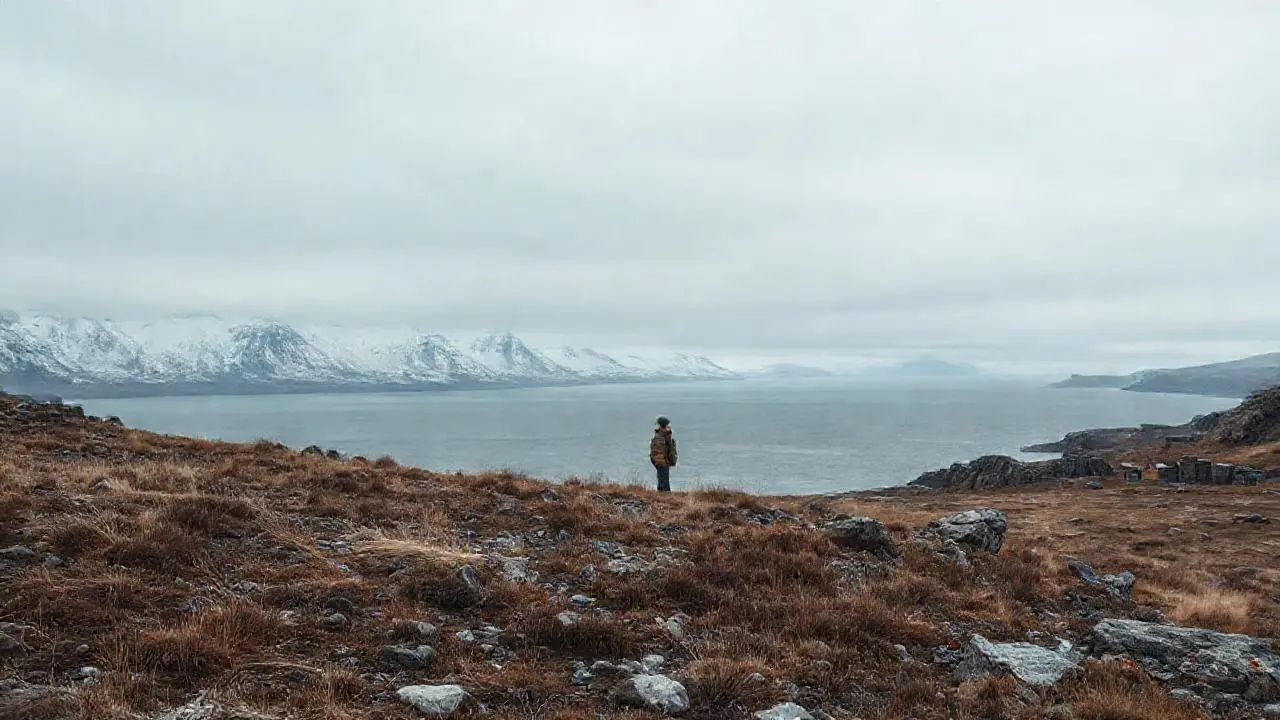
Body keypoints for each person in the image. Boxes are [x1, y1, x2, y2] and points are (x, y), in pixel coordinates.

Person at [649, 415, 678, 492]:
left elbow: (653, 451)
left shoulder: (658, 435)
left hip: (658, 462)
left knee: (661, 479)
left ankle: (661, 495)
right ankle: (666, 497)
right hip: (663, 462)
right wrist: (671, 461)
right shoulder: (665, 436)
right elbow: (670, 450)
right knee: (664, 481)